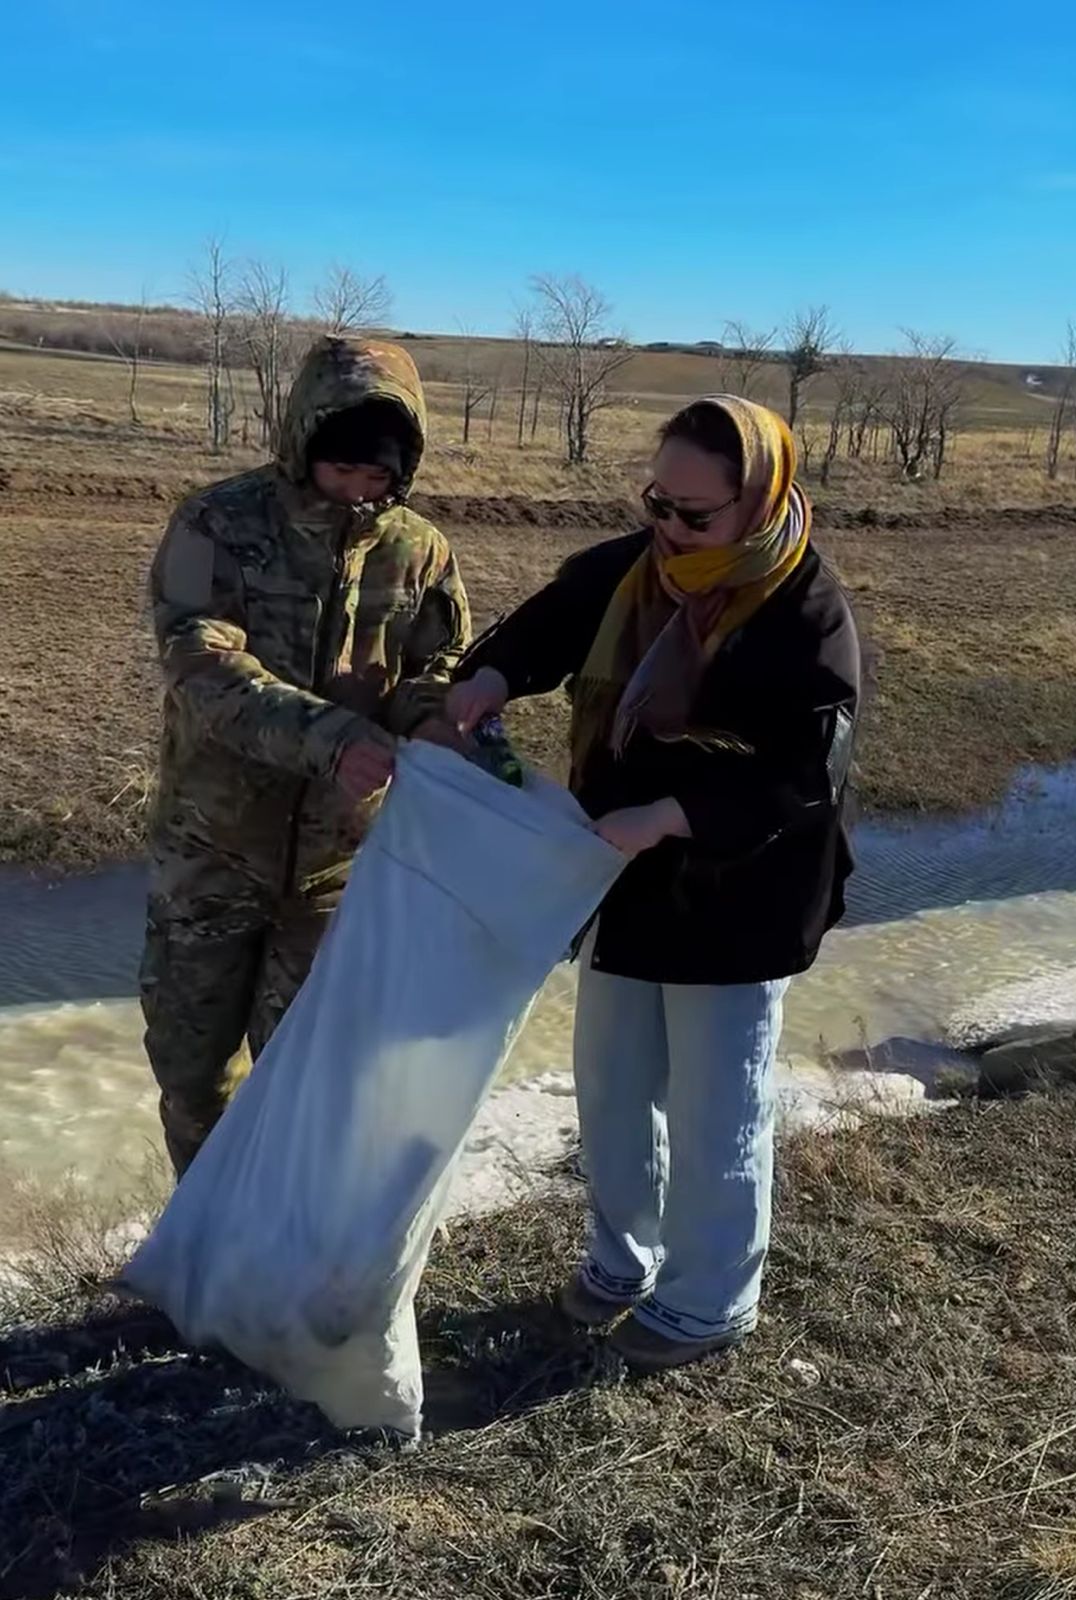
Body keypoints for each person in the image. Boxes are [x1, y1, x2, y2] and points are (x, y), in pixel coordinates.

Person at [445, 396, 860, 1373]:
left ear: (760, 501)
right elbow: (543, 628)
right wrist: (487, 680)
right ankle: (620, 1258)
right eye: (656, 503)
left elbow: (801, 775)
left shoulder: (806, 611)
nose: (669, 529)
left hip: (742, 893)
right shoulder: (633, 571)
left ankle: (711, 1296)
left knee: (721, 1103)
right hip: (624, 880)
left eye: (695, 515)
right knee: (616, 1086)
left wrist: (669, 815)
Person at [142, 336, 470, 1176]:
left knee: (310, 1082)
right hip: (210, 858)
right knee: (194, 1077)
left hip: (335, 874)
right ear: (304, 441)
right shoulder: (217, 522)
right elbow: (202, 666)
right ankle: (204, 1254)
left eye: (379, 476)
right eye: (341, 470)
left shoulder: (422, 550)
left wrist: (433, 719)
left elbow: (432, 669)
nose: (360, 491)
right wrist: (333, 739)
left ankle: (281, 1253)